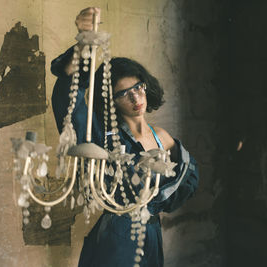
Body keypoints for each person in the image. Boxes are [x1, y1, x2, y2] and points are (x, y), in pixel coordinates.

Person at [51, 7, 199, 267]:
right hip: (119, 234)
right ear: (111, 101)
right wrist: (85, 41)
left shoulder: (161, 136)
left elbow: (188, 178)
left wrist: (155, 202)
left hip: (153, 233)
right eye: (124, 93)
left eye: (138, 88)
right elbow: (70, 102)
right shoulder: (105, 136)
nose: (136, 97)